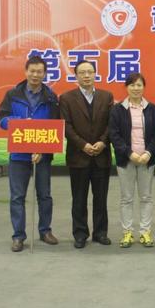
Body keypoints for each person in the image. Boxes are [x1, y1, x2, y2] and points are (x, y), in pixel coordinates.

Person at [0, 55, 60, 252]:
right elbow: (2, 119)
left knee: (45, 195)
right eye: (32, 71)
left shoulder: (51, 97)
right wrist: (20, 123)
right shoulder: (13, 94)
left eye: (39, 71)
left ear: (44, 74)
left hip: (42, 156)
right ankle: (18, 236)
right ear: (26, 72)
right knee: (17, 197)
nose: (35, 75)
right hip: (19, 155)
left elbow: (55, 126)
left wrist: (42, 149)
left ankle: (45, 231)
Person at [59, 60, 113, 249]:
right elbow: (66, 126)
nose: (87, 75)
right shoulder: (66, 98)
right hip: (78, 157)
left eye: (90, 72)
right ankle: (80, 234)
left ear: (95, 74)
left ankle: (100, 233)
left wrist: (103, 142)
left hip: (101, 156)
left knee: (101, 199)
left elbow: (111, 124)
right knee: (79, 199)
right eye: (82, 72)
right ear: (76, 76)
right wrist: (83, 145)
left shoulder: (106, 96)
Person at [109, 73, 155, 248]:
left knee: (146, 197)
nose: (136, 88)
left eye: (139, 85)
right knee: (127, 198)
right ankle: (127, 233)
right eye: (132, 85)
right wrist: (129, 153)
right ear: (126, 87)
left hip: (146, 160)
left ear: (143, 87)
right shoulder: (117, 110)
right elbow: (114, 135)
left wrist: (148, 153)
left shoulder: (152, 109)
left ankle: (145, 232)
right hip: (126, 160)